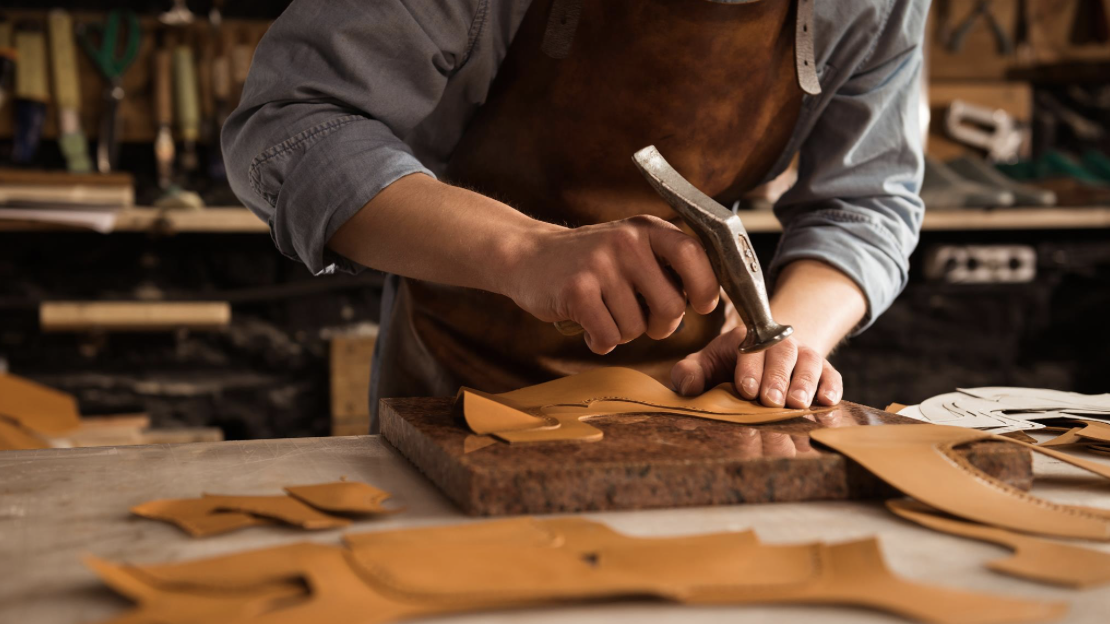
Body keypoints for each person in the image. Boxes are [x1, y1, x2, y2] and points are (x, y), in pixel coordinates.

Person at [223, 0, 928, 431]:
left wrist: (788, 335)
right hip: (458, 379)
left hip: (703, 401)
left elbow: (866, 197)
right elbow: (288, 124)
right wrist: (524, 251)